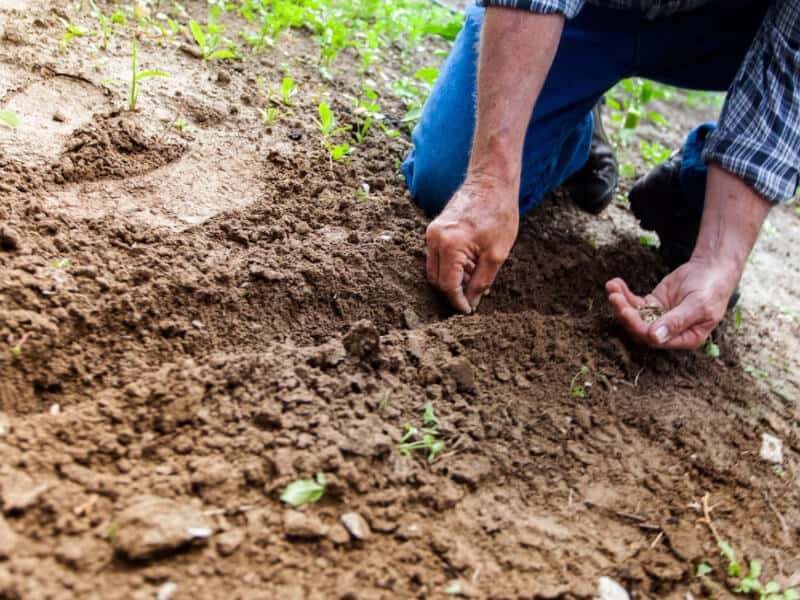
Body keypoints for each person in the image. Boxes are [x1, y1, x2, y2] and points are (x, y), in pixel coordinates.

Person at [401, 0, 799, 350]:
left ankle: (697, 186)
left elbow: (789, 69)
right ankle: (574, 126)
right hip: (589, 12)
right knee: (448, 181)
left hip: (728, 26)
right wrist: (490, 179)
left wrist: (719, 260)